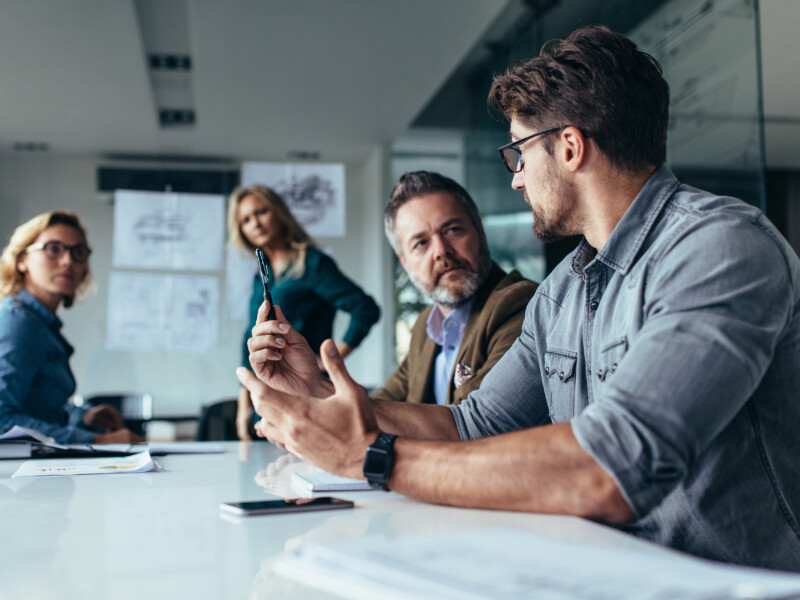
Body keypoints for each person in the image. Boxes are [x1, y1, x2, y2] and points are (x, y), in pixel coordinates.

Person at [236, 25, 800, 571]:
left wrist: (370, 456)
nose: (516, 179)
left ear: (571, 147)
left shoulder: (718, 246)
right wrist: (322, 393)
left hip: (731, 584)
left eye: (519, 154)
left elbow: (612, 467)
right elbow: (471, 424)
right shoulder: (561, 293)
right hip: (608, 575)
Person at [228, 184, 380, 440]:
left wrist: (331, 360)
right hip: (263, 399)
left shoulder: (313, 264)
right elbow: (251, 338)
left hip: (303, 394)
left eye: (261, 212)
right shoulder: (261, 276)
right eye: (245, 220)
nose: (255, 223)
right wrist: (244, 401)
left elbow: (365, 309)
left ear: (278, 213)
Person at [372, 171, 536, 406]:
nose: (441, 251)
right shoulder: (425, 326)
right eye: (421, 243)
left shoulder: (519, 304)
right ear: (405, 262)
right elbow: (383, 406)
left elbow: (476, 421)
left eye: (452, 230)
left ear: (480, 231)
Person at [0, 211, 142, 444]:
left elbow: (39, 410)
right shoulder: (17, 322)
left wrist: (84, 417)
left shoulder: (41, 325)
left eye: (78, 253)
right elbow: (3, 421)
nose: (68, 261)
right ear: (22, 260)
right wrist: (97, 440)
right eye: (53, 249)